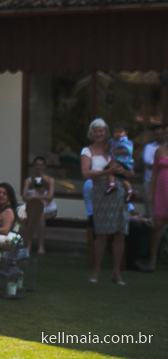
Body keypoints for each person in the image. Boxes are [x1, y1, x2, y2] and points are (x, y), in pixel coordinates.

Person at [82, 117, 129, 285]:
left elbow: (129, 170)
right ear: (91, 134)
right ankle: (96, 271)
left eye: (101, 131)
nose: (99, 134)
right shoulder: (87, 151)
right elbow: (86, 174)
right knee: (101, 234)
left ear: (106, 132)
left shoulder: (115, 148)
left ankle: (116, 273)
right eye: (96, 131)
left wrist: (124, 171)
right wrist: (107, 171)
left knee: (120, 234)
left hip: (119, 191)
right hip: (101, 193)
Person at [21, 156, 57, 254]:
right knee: (32, 215)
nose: (39, 167)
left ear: (44, 166)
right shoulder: (29, 180)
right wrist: (34, 198)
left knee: (40, 215)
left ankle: (41, 246)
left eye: (41, 165)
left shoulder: (50, 180)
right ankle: (28, 244)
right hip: (32, 207)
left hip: (47, 208)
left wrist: (34, 197)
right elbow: (24, 196)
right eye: (37, 165)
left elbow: (50, 196)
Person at [145, 137, 168, 270]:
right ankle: (153, 259)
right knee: (157, 226)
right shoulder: (159, 151)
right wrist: (151, 193)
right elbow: (153, 173)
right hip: (161, 191)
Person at [104, 122, 135, 201]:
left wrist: (119, 151)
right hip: (117, 161)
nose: (117, 134)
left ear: (125, 132)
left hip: (123, 162)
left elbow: (129, 150)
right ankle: (129, 191)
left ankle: (112, 184)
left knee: (109, 169)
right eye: (115, 132)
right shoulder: (112, 140)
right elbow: (107, 148)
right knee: (122, 178)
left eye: (120, 131)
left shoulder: (126, 141)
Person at [142, 125, 167, 218]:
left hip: (165, 184)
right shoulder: (149, 147)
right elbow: (148, 161)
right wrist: (163, 164)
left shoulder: (166, 148)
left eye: (161, 134)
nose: (159, 136)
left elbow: (153, 164)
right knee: (150, 211)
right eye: (156, 134)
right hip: (149, 181)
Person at [0, 182, 22, 253]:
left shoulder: (8, 211)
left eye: (4, 194)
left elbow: (5, 230)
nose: (1, 195)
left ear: (9, 197)